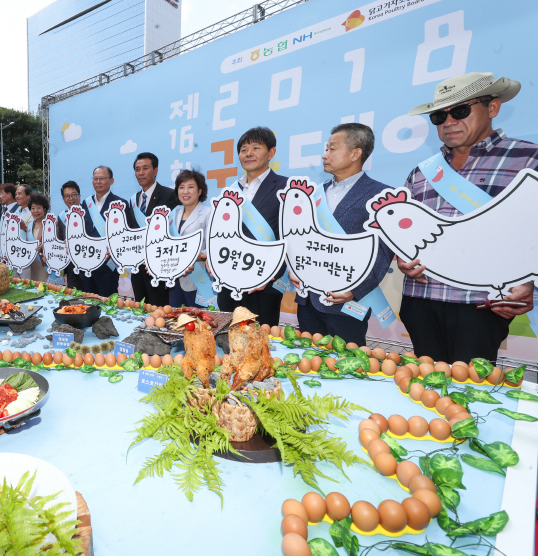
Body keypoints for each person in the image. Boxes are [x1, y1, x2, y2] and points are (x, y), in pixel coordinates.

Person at [398, 72, 537, 364]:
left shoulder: (528, 158)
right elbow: (404, 234)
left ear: (493, 108)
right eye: (439, 116)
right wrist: (402, 257)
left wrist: (530, 283)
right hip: (420, 300)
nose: (449, 122)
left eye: (460, 111)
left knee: (469, 393)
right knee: (423, 386)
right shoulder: (421, 172)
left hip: (480, 304)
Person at [289, 124, 394, 346]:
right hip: (307, 301)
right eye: (326, 149)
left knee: (345, 366)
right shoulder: (314, 193)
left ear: (356, 153)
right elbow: (300, 239)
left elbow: (383, 251)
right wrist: (294, 267)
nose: (324, 155)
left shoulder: (381, 195)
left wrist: (355, 289)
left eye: (332, 149)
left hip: (346, 305)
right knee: (307, 363)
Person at [215, 127, 289, 327]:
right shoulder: (229, 191)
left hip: (263, 285)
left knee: (258, 345)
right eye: (243, 149)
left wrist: (271, 275)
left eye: (256, 148)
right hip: (228, 280)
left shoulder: (286, 188)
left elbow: (290, 239)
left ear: (271, 153)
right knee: (226, 336)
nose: (248, 154)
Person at [126, 152, 179, 306]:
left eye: (145, 168)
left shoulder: (170, 195)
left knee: (160, 311)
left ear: (155, 171)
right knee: (141, 310)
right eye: (137, 169)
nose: (140, 173)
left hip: (159, 269)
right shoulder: (133, 200)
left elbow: (173, 232)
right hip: (137, 270)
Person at [81, 166, 129, 297]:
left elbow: (125, 235)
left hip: (108, 265)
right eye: (95, 178)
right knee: (88, 302)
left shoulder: (121, 204)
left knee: (107, 303)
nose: (98, 182)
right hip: (87, 264)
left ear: (111, 181)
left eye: (102, 178)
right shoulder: (85, 204)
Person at [168, 169, 212, 308]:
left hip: (198, 279)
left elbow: (212, 246)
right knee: (176, 320)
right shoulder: (173, 213)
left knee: (199, 322)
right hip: (174, 279)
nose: (185, 191)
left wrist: (195, 255)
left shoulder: (208, 213)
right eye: (181, 187)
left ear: (200, 191)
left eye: (190, 187)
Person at [55, 180, 83, 291]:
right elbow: (61, 240)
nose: (70, 198)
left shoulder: (89, 213)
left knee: (91, 298)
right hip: (71, 266)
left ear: (79, 195)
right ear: (63, 199)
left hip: (88, 263)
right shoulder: (62, 217)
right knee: (75, 298)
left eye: (73, 195)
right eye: (67, 196)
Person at [12, 185, 34, 279]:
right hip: (14, 254)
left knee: (27, 284)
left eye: (20, 194)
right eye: (16, 194)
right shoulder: (14, 213)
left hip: (29, 255)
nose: (17, 196)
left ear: (28, 196)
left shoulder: (35, 212)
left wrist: (25, 228)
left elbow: (38, 232)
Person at [29, 193, 50, 284]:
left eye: (38, 208)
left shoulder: (50, 223)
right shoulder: (30, 225)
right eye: (33, 208)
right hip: (32, 264)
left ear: (44, 209)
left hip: (45, 264)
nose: (35, 211)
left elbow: (56, 241)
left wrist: (44, 247)